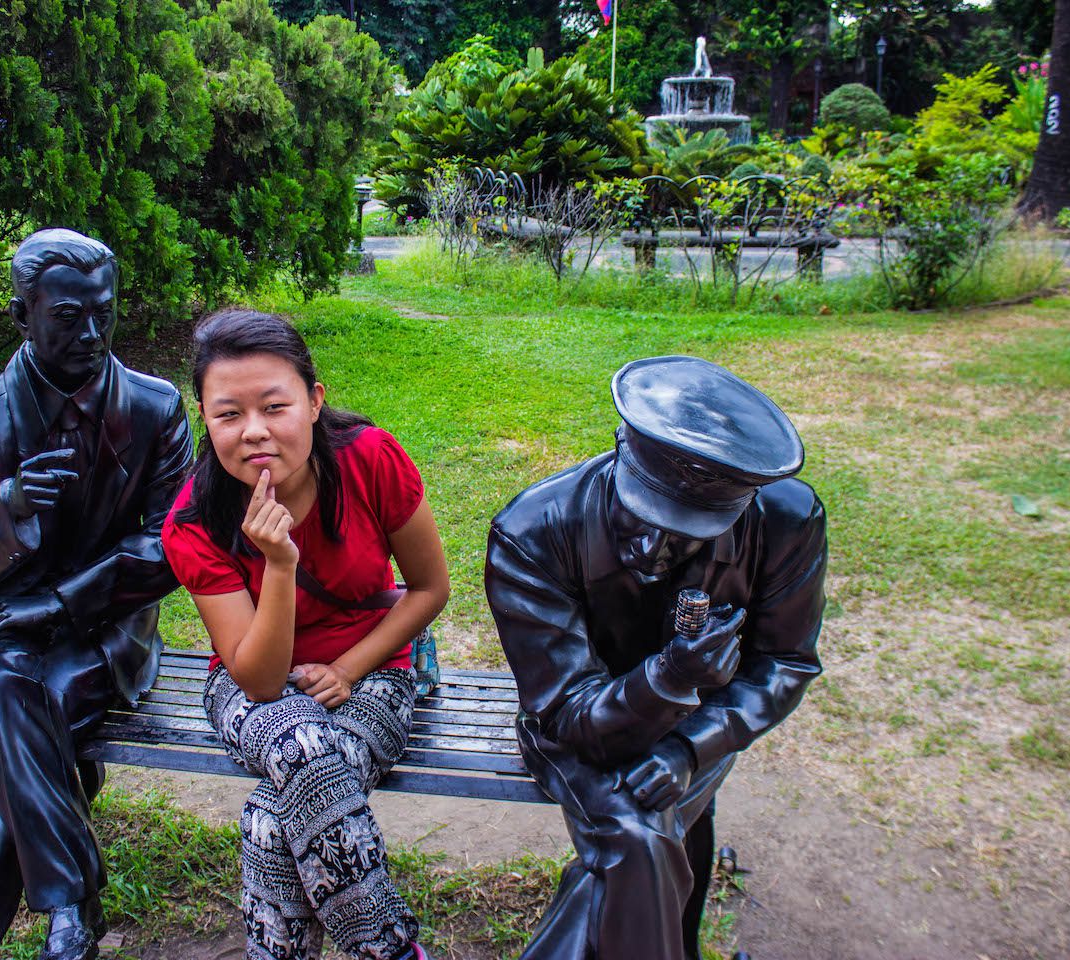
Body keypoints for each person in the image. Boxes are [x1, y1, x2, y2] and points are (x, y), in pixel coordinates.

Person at [484, 355, 827, 960]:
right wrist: (669, 677)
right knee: (639, 835)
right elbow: (568, 716)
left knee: (637, 841)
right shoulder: (533, 531)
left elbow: (785, 664)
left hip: (700, 725)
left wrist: (689, 749)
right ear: (620, 452)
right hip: (574, 732)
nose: (651, 547)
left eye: (687, 532)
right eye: (640, 514)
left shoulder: (787, 522)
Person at [0, 228, 193, 960]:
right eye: (69, 317)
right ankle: (71, 911)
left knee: (17, 717)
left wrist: (59, 604)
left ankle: (54, 913)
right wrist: (2, 511)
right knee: (6, 669)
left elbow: (171, 547)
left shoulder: (154, 409)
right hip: (0, 632)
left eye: (104, 312)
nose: (92, 333)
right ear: (23, 316)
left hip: (104, 631)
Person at [162, 309, 449, 960]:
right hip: (248, 683)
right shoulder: (193, 520)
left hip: (373, 671)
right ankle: (391, 949)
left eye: (275, 405)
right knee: (298, 744)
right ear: (204, 419)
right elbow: (259, 680)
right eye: (229, 413)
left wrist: (348, 669)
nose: (255, 432)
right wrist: (280, 564)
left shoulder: (370, 459)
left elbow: (430, 588)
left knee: (270, 822)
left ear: (315, 402)